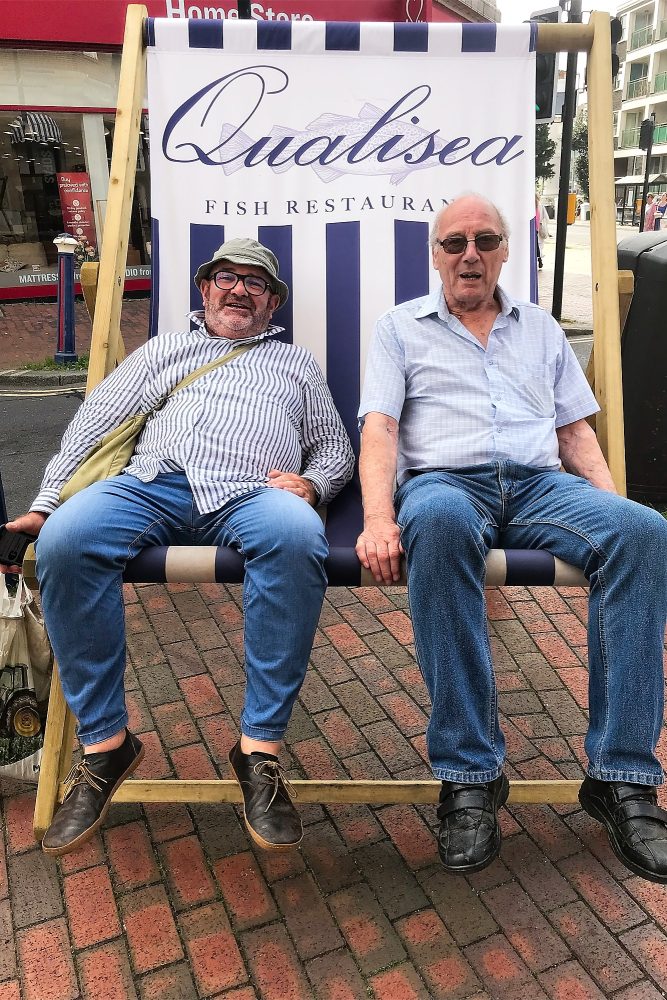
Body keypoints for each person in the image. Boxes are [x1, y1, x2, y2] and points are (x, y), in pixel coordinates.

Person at [2, 237, 354, 857]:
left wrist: (313, 483)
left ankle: (260, 752)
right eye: (227, 278)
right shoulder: (164, 350)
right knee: (68, 541)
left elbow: (334, 448)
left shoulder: (295, 364)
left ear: (273, 303)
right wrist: (46, 501)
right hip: (151, 485)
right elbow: (97, 423)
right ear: (204, 288)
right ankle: (107, 747)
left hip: (252, 489)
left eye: (256, 283)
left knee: (299, 536)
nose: (240, 289)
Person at [356, 193, 667, 883]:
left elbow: (573, 431)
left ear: (503, 251)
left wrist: (610, 510)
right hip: (444, 483)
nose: (469, 254)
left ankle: (621, 779)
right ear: (434, 255)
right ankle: (469, 777)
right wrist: (379, 519)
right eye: (454, 242)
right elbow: (377, 427)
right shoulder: (399, 327)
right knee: (434, 524)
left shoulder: (540, 329)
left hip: (535, 485)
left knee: (645, 532)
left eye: (485, 240)